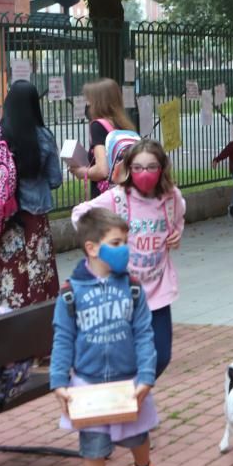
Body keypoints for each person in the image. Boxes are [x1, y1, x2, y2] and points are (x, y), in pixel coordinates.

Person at [50, 208, 157, 466]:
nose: (125, 248)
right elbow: (63, 338)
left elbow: (143, 334)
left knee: (136, 438)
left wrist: (146, 376)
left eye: (126, 241)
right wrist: (59, 382)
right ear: (92, 248)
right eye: (116, 242)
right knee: (93, 447)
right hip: (88, 386)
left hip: (128, 384)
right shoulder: (70, 293)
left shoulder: (133, 288)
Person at [72, 139, 185, 378]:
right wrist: (100, 246)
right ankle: (127, 396)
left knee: (161, 356)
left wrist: (176, 234)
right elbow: (80, 214)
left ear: (162, 168)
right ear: (129, 169)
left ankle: (134, 391)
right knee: (124, 354)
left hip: (158, 290)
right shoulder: (118, 198)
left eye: (151, 167)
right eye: (138, 167)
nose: (144, 173)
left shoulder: (171, 197)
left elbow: (178, 219)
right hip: (123, 291)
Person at [0, 81, 62, 308]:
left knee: (4, 271)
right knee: (37, 270)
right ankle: (38, 317)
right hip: (34, 217)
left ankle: (3, 316)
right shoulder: (44, 136)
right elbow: (55, 180)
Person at [69, 78, 135, 198]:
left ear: (98, 102)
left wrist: (82, 172)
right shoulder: (125, 125)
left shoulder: (98, 126)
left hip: (106, 197)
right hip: (126, 193)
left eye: (89, 100)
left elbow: (102, 170)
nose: (87, 104)